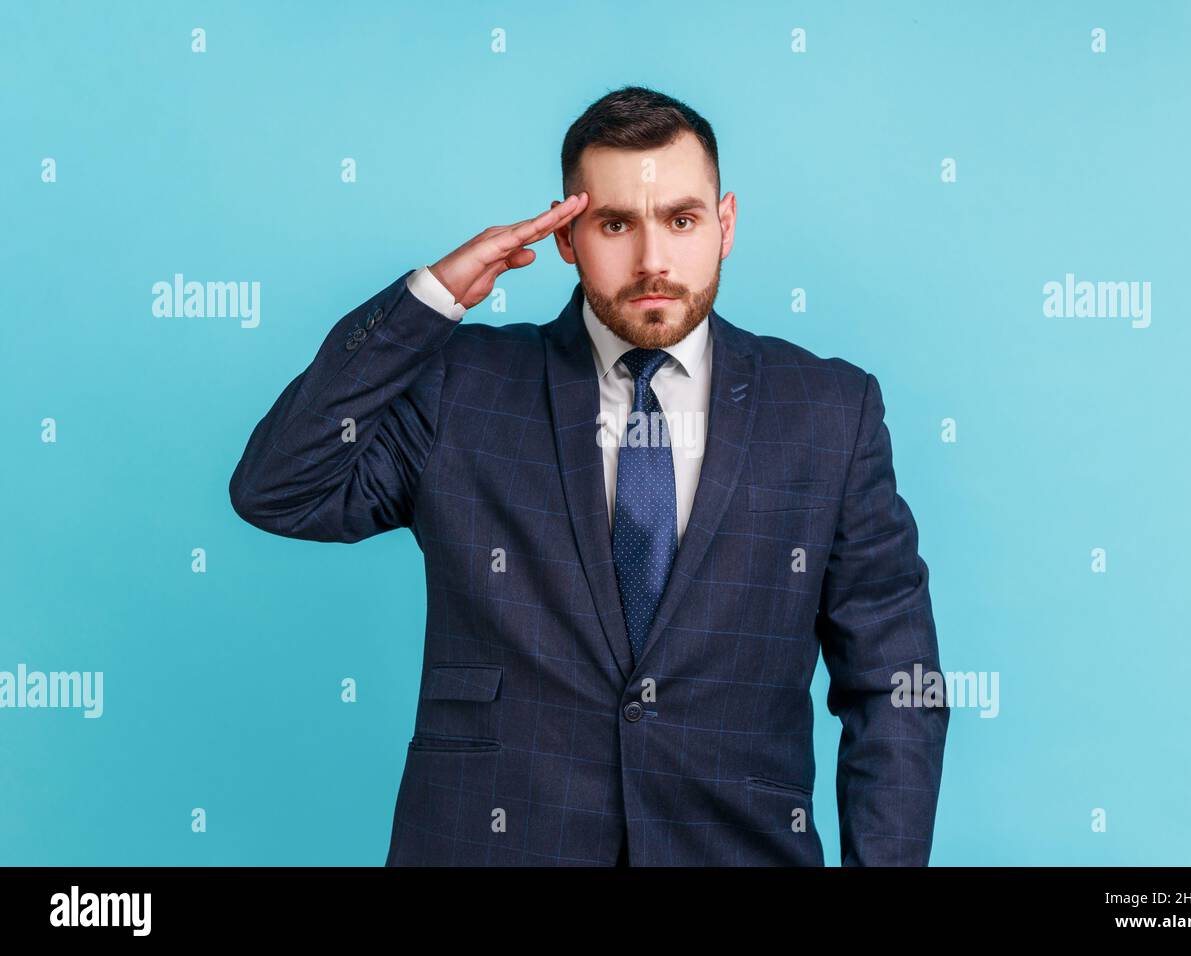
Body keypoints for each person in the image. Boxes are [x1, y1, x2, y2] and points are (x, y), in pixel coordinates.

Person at [228, 85, 949, 866]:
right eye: (615, 224)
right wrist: (429, 302)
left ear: (725, 223)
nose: (653, 262)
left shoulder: (828, 412)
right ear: (567, 236)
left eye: (681, 219)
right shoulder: (462, 387)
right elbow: (277, 488)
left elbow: (897, 684)